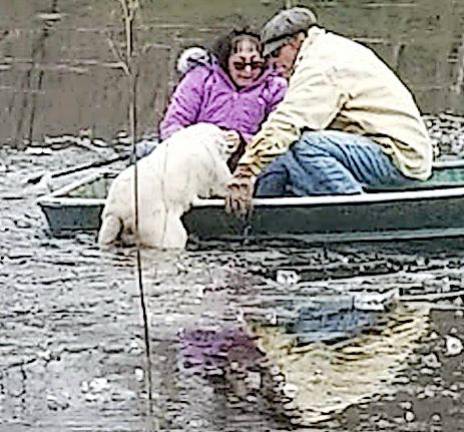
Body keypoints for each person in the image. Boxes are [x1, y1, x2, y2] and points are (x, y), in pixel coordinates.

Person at [225, 7, 434, 216]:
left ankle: (359, 214)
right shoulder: (329, 48)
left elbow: (287, 121)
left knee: (303, 145)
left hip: (397, 158)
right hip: (374, 145)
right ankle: (258, 212)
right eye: (269, 59)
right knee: (282, 150)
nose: (275, 64)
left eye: (277, 54)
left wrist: (245, 172)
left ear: (297, 40)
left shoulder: (321, 65)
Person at [158, 29, 287, 170]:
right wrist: (204, 143)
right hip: (198, 159)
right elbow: (172, 125)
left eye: (255, 65)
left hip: (251, 162)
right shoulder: (201, 78)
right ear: (226, 62)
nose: (248, 71)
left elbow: (279, 135)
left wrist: (243, 141)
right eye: (239, 65)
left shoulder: (275, 86)